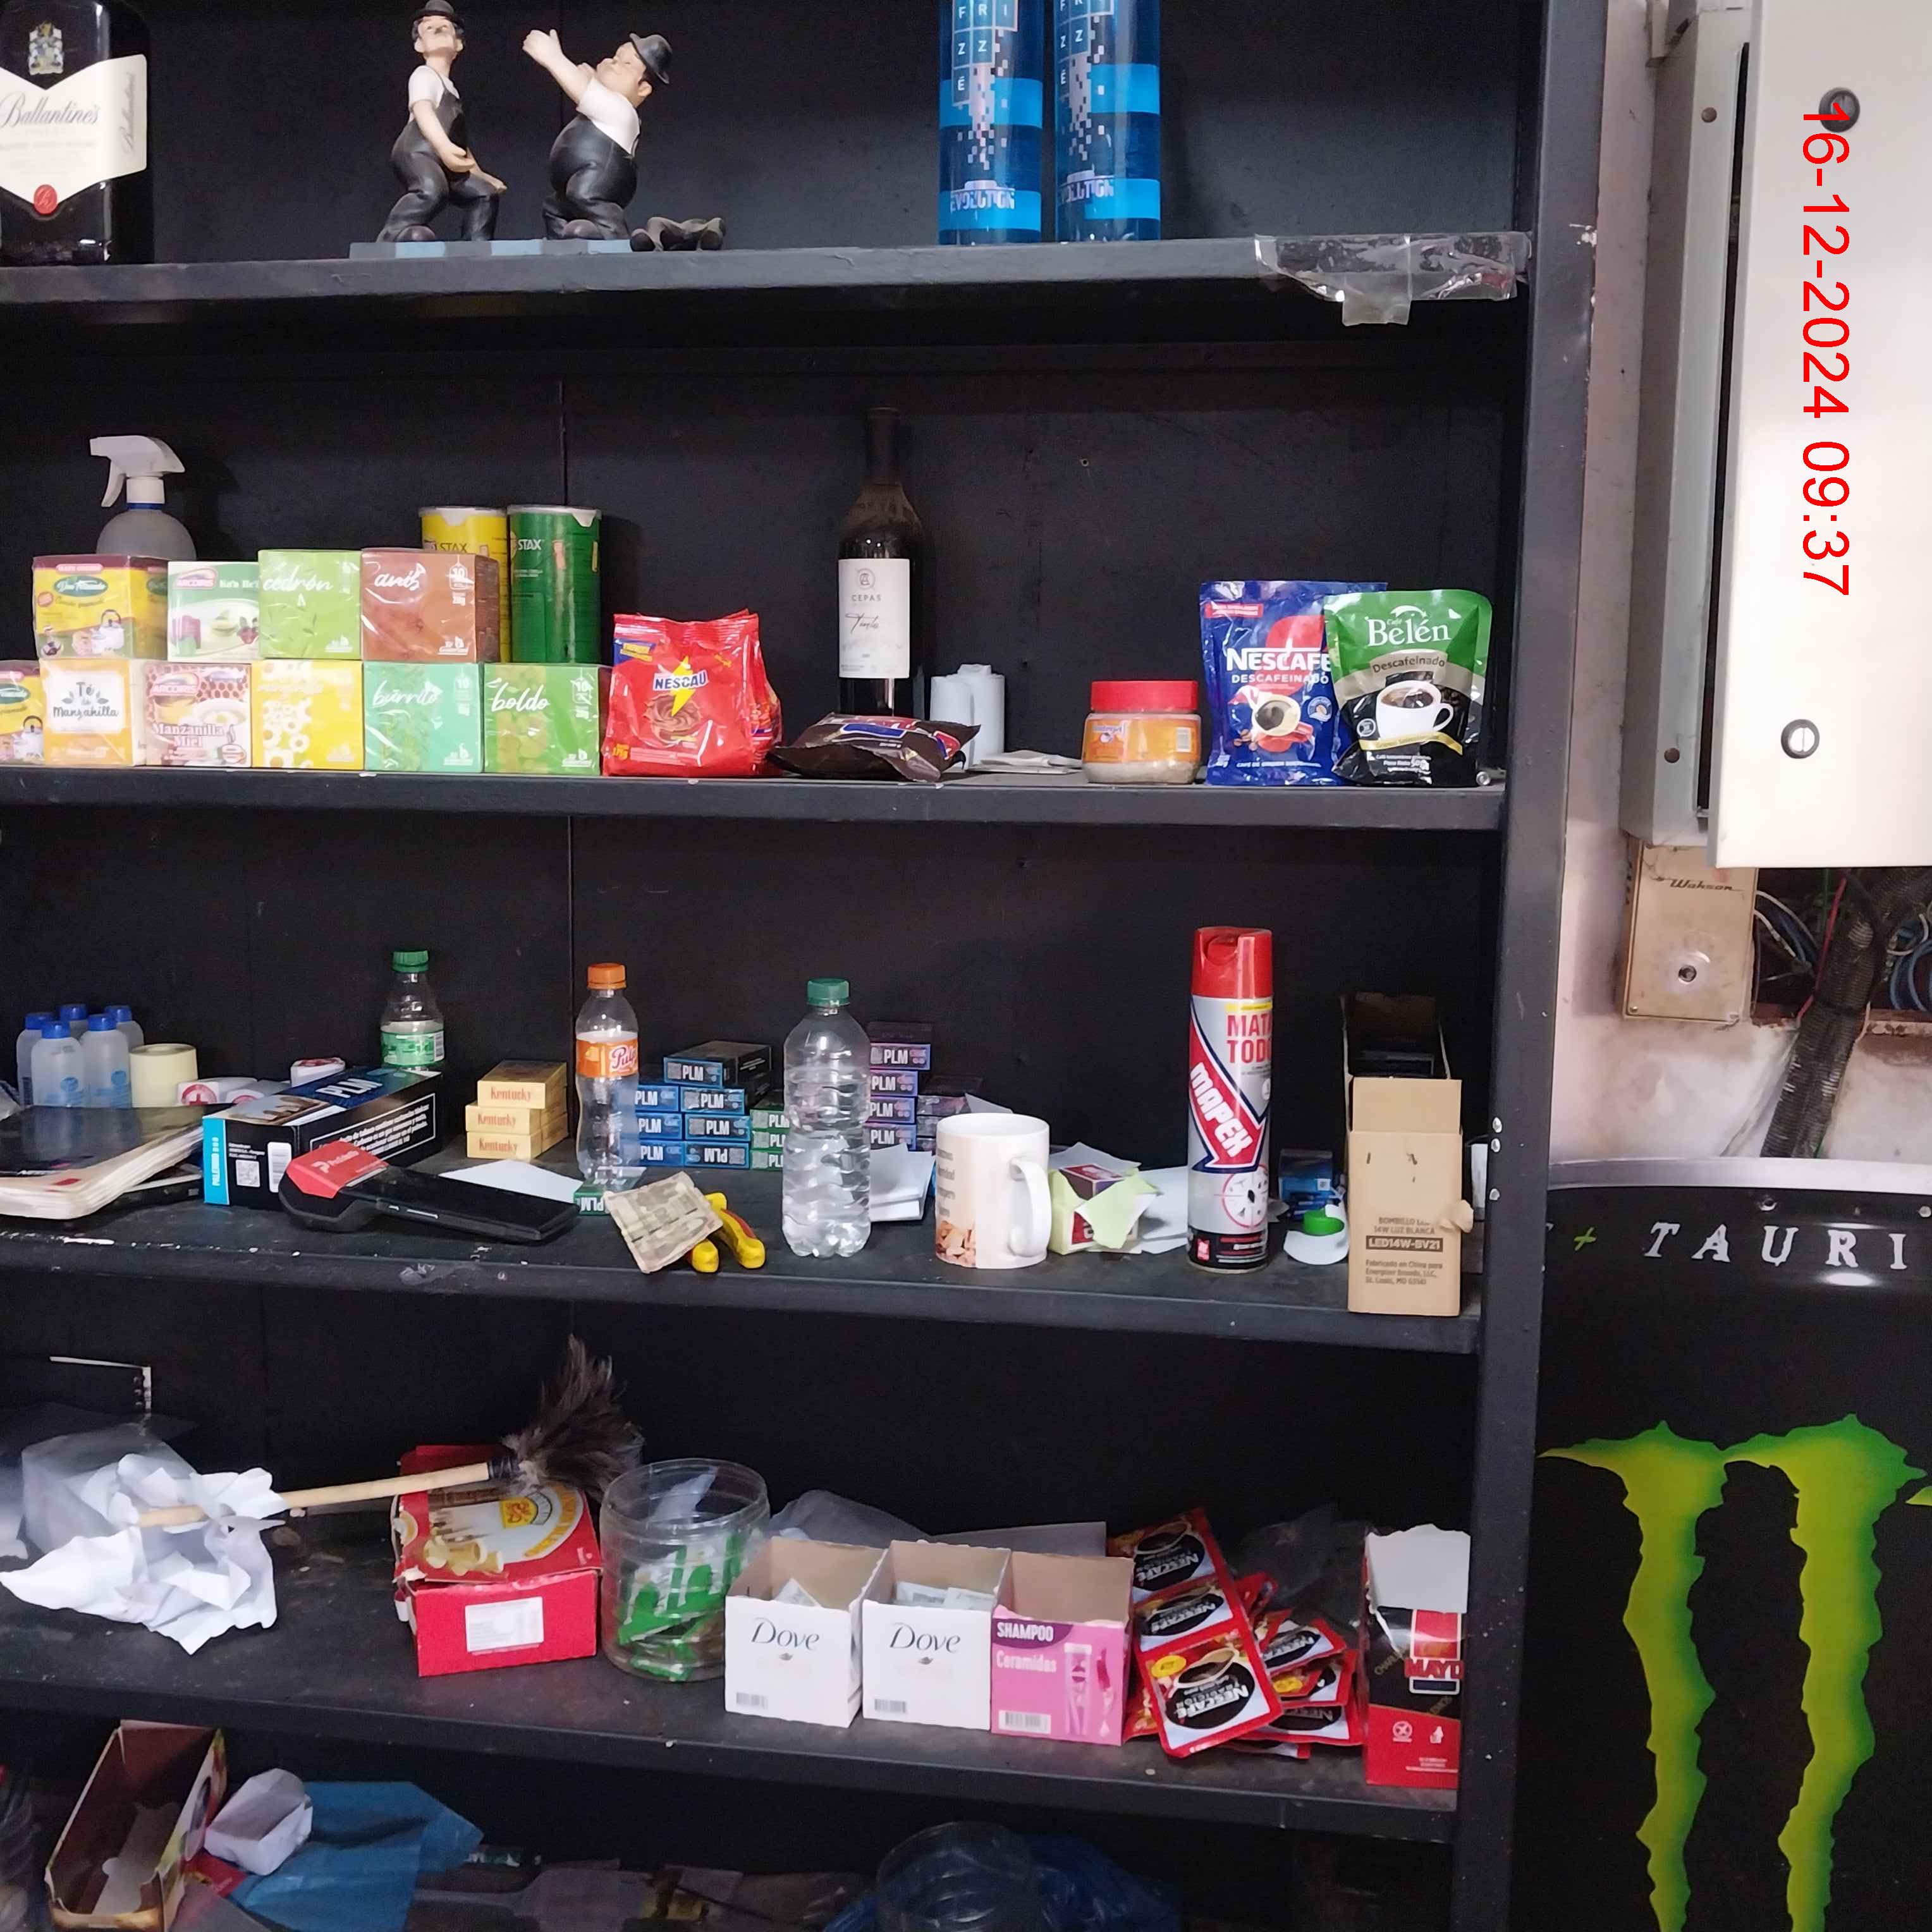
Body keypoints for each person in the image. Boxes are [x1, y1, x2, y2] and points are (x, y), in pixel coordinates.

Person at [522, 27, 671, 243]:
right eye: (615, 57)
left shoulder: (622, 110)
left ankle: (616, 235)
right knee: (554, 207)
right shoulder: (605, 103)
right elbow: (587, 89)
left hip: (603, 175)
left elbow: (583, 90)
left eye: (626, 64)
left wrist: (553, 57)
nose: (613, 63)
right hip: (580, 177)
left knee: (583, 194)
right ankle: (566, 240)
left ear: (642, 88)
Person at [377, 1, 505, 244]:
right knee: (431, 191)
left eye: (445, 27)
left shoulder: (452, 91)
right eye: (429, 28)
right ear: (419, 45)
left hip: (443, 156)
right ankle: (390, 239)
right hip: (417, 151)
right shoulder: (423, 75)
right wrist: (444, 148)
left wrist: (481, 175)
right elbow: (423, 111)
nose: (438, 29)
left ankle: (475, 248)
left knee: (483, 195)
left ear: (459, 44)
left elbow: (459, 143)